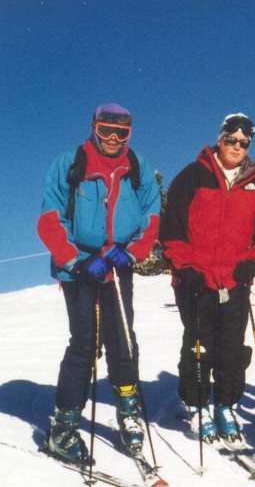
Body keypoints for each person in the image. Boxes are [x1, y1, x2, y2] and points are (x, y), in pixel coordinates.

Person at [37, 104, 160, 463]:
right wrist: (75, 260)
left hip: (117, 264)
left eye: (121, 133)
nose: (113, 138)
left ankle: (129, 413)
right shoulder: (69, 164)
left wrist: (132, 253)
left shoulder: (136, 166)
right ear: (93, 127)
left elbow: (151, 216)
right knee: (85, 344)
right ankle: (64, 426)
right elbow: (50, 218)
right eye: (106, 130)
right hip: (79, 267)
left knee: (123, 340)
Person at [160, 113, 255, 444]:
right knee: (199, 344)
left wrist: (254, 262)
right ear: (220, 140)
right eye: (231, 140)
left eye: (243, 143)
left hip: (234, 277)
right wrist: (184, 267)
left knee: (231, 348)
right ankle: (196, 406)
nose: (236, 147)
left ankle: (225, 405)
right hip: (195, 277)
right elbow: (172, 227)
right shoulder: (193, 175)